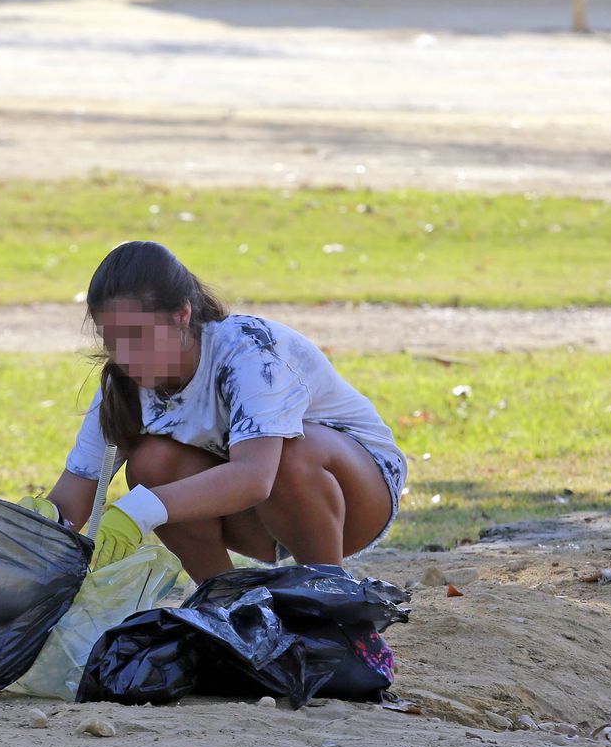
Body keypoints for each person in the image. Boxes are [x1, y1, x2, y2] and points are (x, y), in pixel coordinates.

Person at [20, 241, 406, 583]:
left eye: (139, 336)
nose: (125, 357)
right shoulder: (122, 385)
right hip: (258, 516)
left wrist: (142, 508)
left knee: (288, 452)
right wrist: (30, 528)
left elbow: (255, 477)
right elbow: (73, 500)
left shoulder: (251, 352)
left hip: (355, 499)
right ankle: (225, 602)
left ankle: (331, 600)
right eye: (113, 341)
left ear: (182, 315)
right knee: (152, 464)